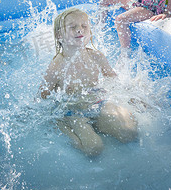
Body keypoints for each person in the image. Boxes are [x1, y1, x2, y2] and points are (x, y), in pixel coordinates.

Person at [39, 8, 138, 157]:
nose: (80, 30)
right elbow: (43, 96)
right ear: (60, 35)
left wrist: (129, 97)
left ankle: (100, 123)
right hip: (73, 111)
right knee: (93, 149)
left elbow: (113, 80)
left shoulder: (96, 56)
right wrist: (47, 117)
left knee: (129, 133)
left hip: (98, 102)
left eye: (84, 26)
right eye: (73, 27)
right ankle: (63, 125)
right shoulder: (57, 66)